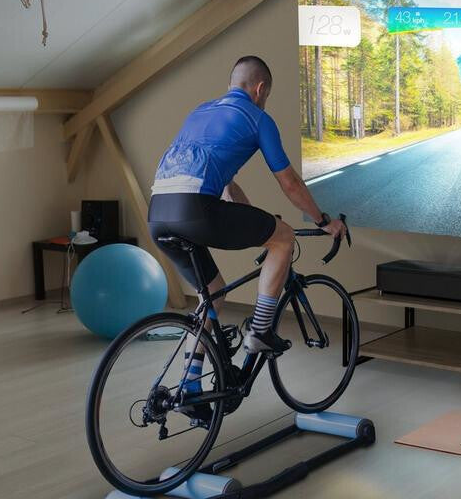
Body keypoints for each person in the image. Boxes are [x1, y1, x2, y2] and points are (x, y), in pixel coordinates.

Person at [147, 55, 347, 413]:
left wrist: (256, 221)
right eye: (266, 95)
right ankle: (260, 331)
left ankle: (190, 387)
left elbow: (226, 184)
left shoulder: (200, 112)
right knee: (284, 237)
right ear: (260, 89)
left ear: (231, 85)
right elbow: (290, 182)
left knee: (212, 295)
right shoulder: (257, 117)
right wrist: (323, 221)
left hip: (158, 214)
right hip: (196, 210)